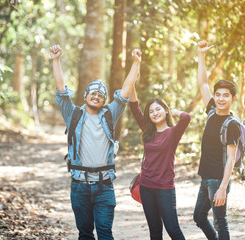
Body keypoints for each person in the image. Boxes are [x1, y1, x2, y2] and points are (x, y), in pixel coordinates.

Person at [50, 44, 141, 240]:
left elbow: (125, 91)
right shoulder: (73, 113)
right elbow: (61, 90)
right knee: (84, 234)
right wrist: (56, 60)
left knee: (105, 233)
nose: (96, 96)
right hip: (79, 186)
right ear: (85, 96)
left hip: (104, 185)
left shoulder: (110, 114)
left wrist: (135, 63)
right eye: (93, 92)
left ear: (104, 100)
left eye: (101, 95)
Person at [129, 84, 191, 240]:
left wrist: (175, 112)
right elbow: (134, 106)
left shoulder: (173, 132)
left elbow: (186, 118)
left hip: (165, 189)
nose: (154, 113)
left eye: (158, 109)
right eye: (151, 111)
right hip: (146, 187)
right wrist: (133, 76)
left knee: (173, 230)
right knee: (155, 231)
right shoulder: (147, 130)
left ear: (165, 110)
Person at [193, 40, 241, 240]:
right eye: (218, 95)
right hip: (206, 177)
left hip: (218, 180)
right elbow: (203, 83)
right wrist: (201, 55)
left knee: (221, 222)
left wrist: (222, 187)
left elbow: (231, 158)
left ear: (233, 99)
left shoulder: (232, 124)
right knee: (198, 217)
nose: (221, 98)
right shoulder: (212, 112)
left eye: (225, 96)